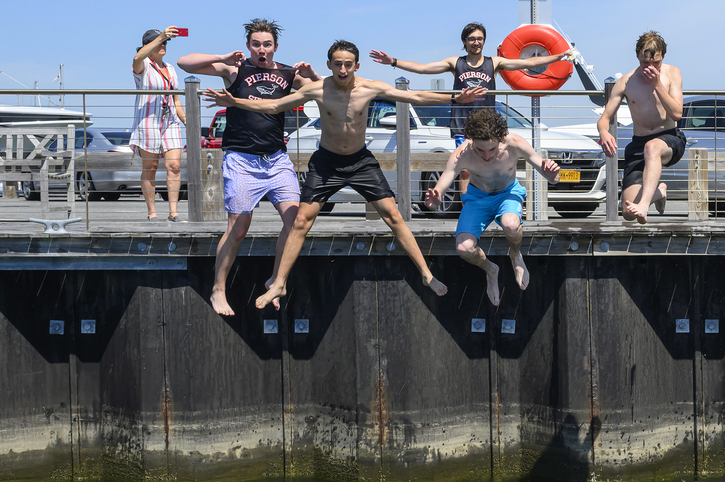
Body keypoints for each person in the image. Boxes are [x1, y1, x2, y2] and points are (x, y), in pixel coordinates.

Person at [203, 40, 487, 308]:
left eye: (348, 64)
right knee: (301, 220)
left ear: (357, 66)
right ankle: (279, 283)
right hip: (326, 163)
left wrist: (455, 97)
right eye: (337, 64)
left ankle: (426, 273)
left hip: (360, 161)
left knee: (393, 216)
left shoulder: (369, 87)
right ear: (329, 64)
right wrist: (236, 102)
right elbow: (274, 105)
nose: (342, 70)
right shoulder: (318, 88)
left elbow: (414, 96)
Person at [177, 19, 322, 316]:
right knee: (239, 228)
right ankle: (218, 288)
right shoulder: (236, 69)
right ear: (248, 46)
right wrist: (221, 58)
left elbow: (325, 90)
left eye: (267, 44)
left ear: (276, 47)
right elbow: (183, 63)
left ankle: (275, 278)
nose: (262, 50)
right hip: (241, 159)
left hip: (276, 159)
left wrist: (311, 74)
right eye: (256, 44)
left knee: (295, 222)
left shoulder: (287, 73)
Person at [425, 109, 560, 307]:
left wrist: (553, 173)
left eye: (492, 149)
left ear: (501, 138)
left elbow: (553, 178)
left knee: (511, 225)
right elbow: (442, 184)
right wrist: (434, 201)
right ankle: (490, 270)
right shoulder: (462, 153)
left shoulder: (515, 143)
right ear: (471, 140)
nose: (487, 156)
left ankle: (515, 254)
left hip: (508, 194)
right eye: (480, 150)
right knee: (464, 248)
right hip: (478, 198)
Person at [368, 22, 575, 144]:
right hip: (462, 126)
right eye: (471, 38)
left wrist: (558, 57)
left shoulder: (494, 63)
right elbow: (422, 68)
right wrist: (393, 61)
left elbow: (528, 62)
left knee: (491, 167)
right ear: (465, 42)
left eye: (480, 38)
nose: (476, 42)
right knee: (466, 170)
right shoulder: (454, 63)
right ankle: (466, 211)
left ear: (484, 41)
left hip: (488, 124)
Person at [596, 31, 685, 224]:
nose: (651, 68)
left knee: (652, 147)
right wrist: (603, 132)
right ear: (637, 56)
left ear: (663, 57)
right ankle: (658, 193)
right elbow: (604, 119)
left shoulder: (672, 73)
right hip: (639, 144)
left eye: (656, 63)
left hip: (669, 140)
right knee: (628, 212)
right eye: (646, 63)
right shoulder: (626, 82)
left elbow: (677, 113)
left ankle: (645, 204)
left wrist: (657, 85)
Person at [131, 27, 188, 222]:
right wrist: (160, 36)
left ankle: (173, 212)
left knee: (174, 165)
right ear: (149, 45)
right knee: (151, 166)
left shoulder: (171, 68)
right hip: (148, 120)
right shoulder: (143, 64)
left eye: (165, 42)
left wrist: (186, 119)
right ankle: (152, 212)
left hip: (169, 120)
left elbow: (176, 99)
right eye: (159, 42)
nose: (163, 45)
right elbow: (137, 59)